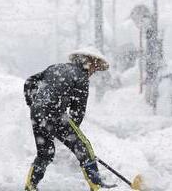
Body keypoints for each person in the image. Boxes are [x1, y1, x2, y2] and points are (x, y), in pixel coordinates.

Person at [24, 47, 116, 191]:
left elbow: (30, 82)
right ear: (89, 62)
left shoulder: (55, 67)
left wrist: (34, 104)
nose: (94, 71)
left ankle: (30, 185)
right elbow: (77, 112)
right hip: (55, 114)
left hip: (37, 114)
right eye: (95, 67)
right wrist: (72, 136)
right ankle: (97, 185)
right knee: (84, 147)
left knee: (45, 153)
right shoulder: (81, 77)